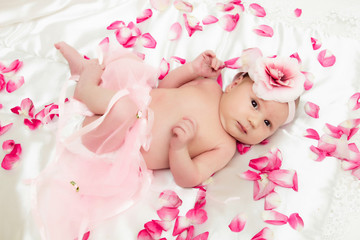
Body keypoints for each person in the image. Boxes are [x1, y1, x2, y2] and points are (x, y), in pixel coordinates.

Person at [32, 40, 305, 239]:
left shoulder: (224, 146)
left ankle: (85, 87)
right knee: (128, 82)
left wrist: (180, 148)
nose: (255, 121)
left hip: (118, 143)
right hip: (129, 101)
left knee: (124, 110)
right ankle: (85, 79)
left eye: (267, 124)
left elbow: (190, 177)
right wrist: (192, 68)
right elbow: (166, 87)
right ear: (233, 85)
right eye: (255, 104)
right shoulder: (209, 86)